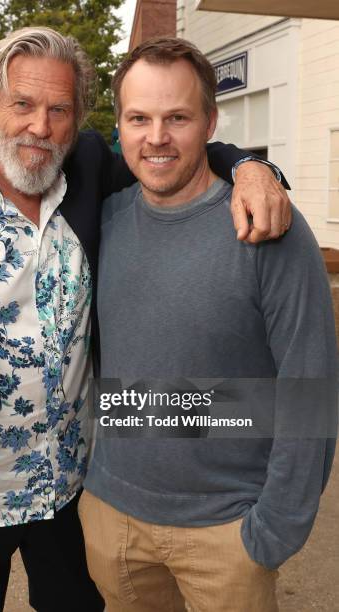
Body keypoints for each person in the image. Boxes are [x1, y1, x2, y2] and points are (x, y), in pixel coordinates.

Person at [0, 27, 290, 612]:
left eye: (60, 109)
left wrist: (252, 168)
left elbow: (171, 148)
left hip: (74, 491)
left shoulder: (86, 170)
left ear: (78, 119)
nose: (41, 126)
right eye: (23, 104)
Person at [80, 37, 337, 612]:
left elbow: (310, 386)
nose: (157, 137)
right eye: (139, 118)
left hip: (228, 531)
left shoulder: (269, 230)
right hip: (113, 521)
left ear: (210, 123)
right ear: (118, 125)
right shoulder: (106, 220)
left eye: (178, 117)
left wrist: (273, 530)